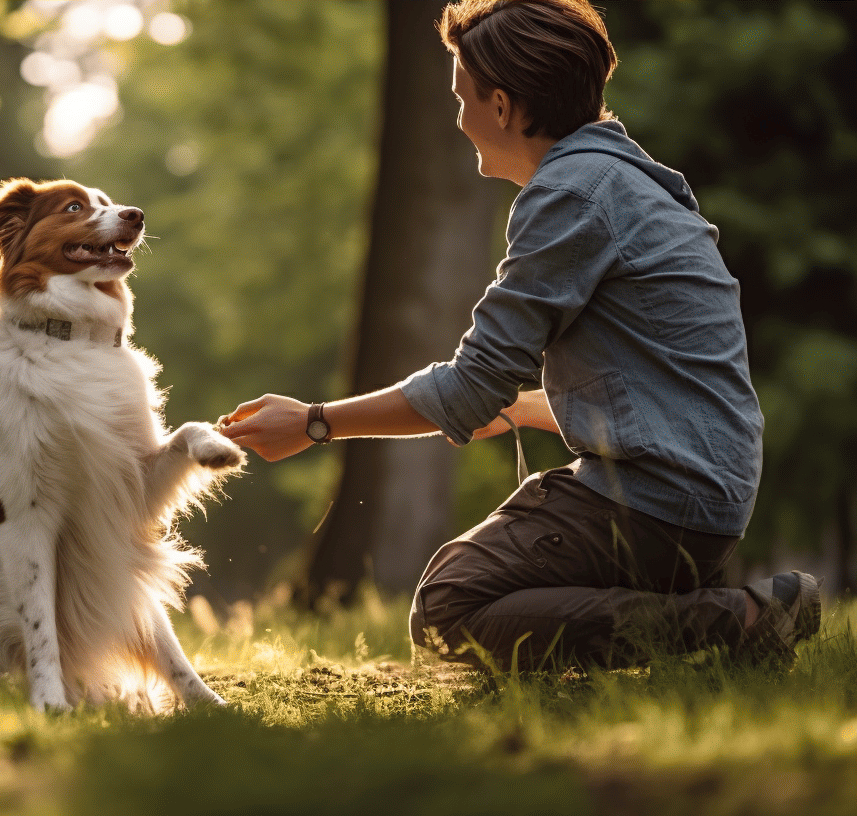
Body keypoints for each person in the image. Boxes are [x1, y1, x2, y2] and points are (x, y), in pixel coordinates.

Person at [217, 0, 820, 672]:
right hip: (704, 494)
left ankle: (735, 620)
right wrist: (526, 408)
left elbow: (470, 386)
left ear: (500, 107)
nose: (459, 120)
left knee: (449, 609)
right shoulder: (624, 180)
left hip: (661, 503)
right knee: (485, 592)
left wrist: (315, 422)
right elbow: (655, 370)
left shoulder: (571, 193)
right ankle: (716, 632)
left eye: (461, 99)